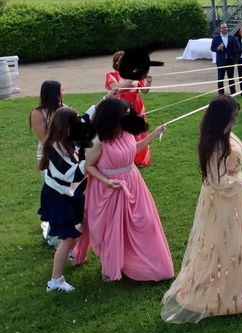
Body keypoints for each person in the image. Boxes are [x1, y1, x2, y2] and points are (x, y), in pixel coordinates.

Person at [161, 96, 242, 322]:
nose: (235, 120)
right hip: (222, 201)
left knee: (237, 239)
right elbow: (219, 182)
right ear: (222, 118)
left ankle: (236, 283)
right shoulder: (215, 143)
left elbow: (228, 162)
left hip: (234, 198)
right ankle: (218, 293)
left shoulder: (222, 134)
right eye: (233, 116)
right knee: (221, 240)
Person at [73, 98, 173, 282]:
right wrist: (107, 181)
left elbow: (134, 149)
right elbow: (89, 166)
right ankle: (112, 265)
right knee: (113, 230)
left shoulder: (126, 132)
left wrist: (155, 134)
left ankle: (147, 262)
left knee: (145, 222)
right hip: (109, 189)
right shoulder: (97, 141)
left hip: (134, 183)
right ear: (112, 118)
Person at [38, 108, 88, 292]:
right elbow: (72, 174)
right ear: (64, 127)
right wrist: (90, 159)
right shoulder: (55, 148)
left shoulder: (66, 139)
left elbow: (86, 118)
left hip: (69, 194)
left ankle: (64, 254)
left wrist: (107, 98)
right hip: (57, 197)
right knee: (68, 238)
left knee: (72, 234)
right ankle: (55, 281)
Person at [30, 81, 64, 246]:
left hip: (67, 153)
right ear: (54, 93)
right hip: (49, 155)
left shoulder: (64, 108)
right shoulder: (38, 113)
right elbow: (45, 139)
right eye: (60, 90)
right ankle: (55, 233)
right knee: (55, 191)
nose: (63, 92)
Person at [106, 51, 153, 166]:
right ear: (116, 62)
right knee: (122, 132)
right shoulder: (111, 75)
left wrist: (149, 82)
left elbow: (145, 91)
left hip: (137, 106)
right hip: (120, 108)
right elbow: (116, 89)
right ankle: (124, 158)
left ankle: (140, 159)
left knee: (139, 131)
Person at [211, 22, 241, 95]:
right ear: (220, 29)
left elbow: (237, 49)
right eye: (222, 28)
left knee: (231, 78)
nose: (224, 29)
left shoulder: (232, 38)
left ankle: (233, 93)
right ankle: (221, 94)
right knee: (220, 79)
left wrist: (235, 60)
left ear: (227, 28)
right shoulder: (216, 38)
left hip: (230, 61)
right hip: (221, 62)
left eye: (225, 27)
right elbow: (212, 48)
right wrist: (217, 48)